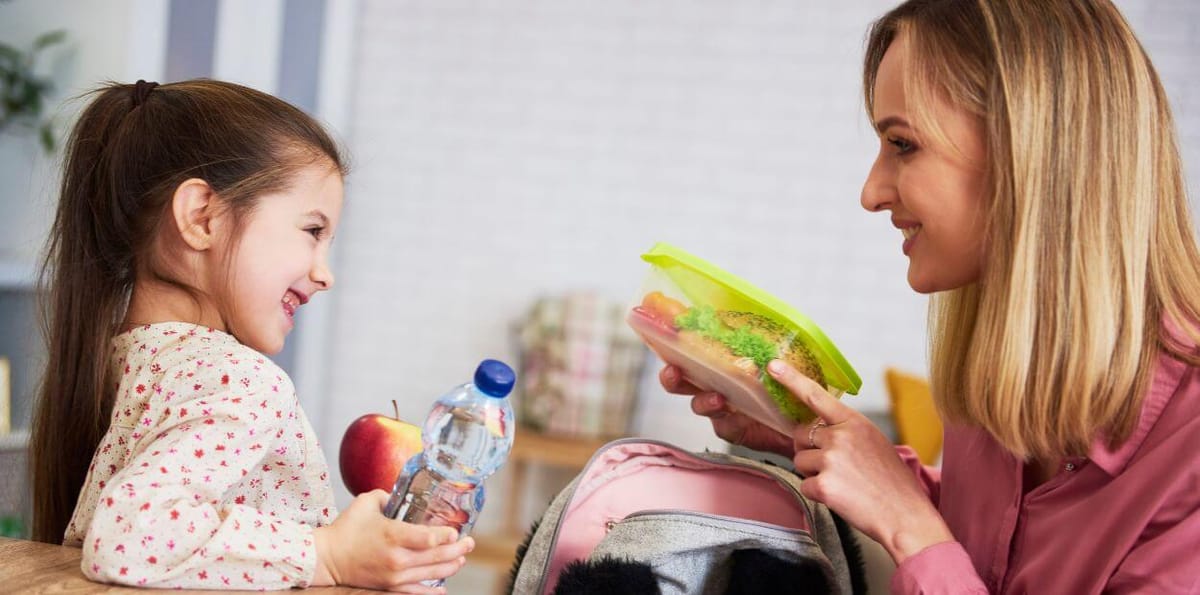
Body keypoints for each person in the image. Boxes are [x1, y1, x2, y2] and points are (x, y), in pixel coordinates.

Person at [660, 1, 1200, 592]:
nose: (870, 192)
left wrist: (908, 529)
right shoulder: (1001, 378)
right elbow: (995, 554)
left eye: (903, 144)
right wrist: (809, 439)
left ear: (1030, 150)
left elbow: (938, 549)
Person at [28, 79, 474, 592]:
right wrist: (328, 553)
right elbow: (129, 533)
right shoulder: (239, 379)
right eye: (312, 231)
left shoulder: (121, 361)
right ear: (202, 218)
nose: (326, 273)